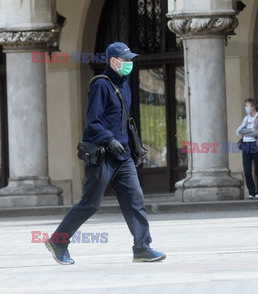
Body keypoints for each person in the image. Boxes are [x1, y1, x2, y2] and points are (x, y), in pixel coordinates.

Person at [45, 42, 166, 265]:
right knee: (90, 204)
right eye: (125, 59)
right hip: (103, 155)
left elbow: (122, 120)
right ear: (113, 61)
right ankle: (58, 241)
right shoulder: (101, 85)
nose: (129, 63)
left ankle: (142, 247)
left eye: (130, 59)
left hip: (123, 156)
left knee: (135, 199)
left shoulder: (124, 84)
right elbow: (92, 122)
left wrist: (129, 145)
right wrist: (109, 140)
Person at [236, 98, 258, 199]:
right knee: (247, 170)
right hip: (246, 144)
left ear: (253, 107)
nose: (246, 108)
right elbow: (240, 130)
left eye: (247, 106)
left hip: (256, 145)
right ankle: (251, 192)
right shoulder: (246, 119)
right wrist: (251, 130)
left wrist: (246, 131)